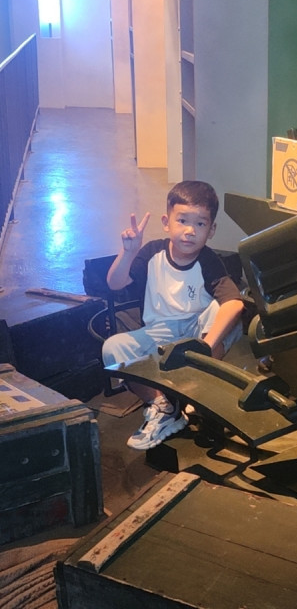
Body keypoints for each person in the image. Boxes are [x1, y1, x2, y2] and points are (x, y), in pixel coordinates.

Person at [102, 180, 245, 450]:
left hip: (195, 332)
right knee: (113, 348)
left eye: (200, 224)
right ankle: (164, 406)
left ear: (211, 230)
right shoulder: (152, 253)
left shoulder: (208, 261)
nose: (190, 231)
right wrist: (128, 253)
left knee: (222, 311)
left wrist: (204, 347)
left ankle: (199, 391)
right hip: (159, 333)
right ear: (167, 223)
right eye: (182, 221)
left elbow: (234, 304)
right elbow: (115, 284)